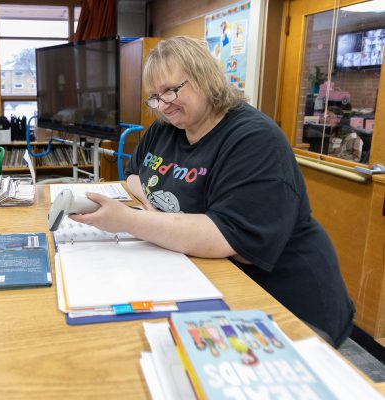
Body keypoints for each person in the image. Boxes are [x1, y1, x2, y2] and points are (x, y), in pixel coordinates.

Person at [71, 36, 354, 347]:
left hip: (286, 301)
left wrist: (129, 220)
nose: (163, 105)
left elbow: (226, 236)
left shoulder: (254, 140)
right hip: (208, 279)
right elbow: (136, 177)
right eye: (154, 97)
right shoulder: (165, 129)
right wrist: (158, 213)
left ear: (205, 77)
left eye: (171, 90)